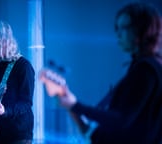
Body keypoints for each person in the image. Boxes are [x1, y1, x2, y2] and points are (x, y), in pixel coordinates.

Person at [54, 2, 162, 144]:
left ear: (141, 30)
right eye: (116, 28)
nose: (118, 34)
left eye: (123, 28)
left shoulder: (146, 69)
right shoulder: (149, 66)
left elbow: (121, 119)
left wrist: (76, 106)